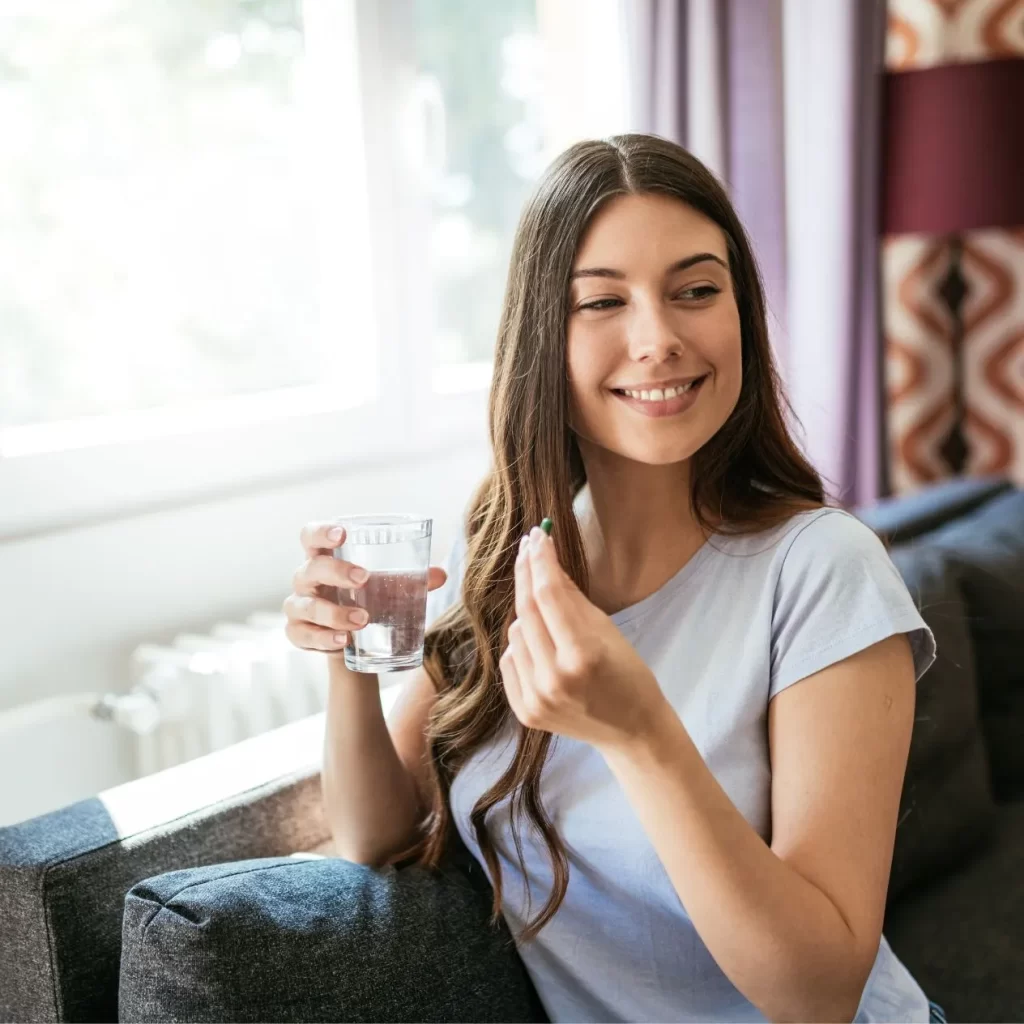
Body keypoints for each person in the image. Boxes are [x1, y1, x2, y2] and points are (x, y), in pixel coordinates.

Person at [283, 134, 948, 1024]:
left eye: (697, 291)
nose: (658, 339)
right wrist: (349, 662)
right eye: (602, 302)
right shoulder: (517, 569)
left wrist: (641, 734)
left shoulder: (821, 570)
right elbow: (376, 832)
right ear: (539, 343)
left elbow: (820, 992)